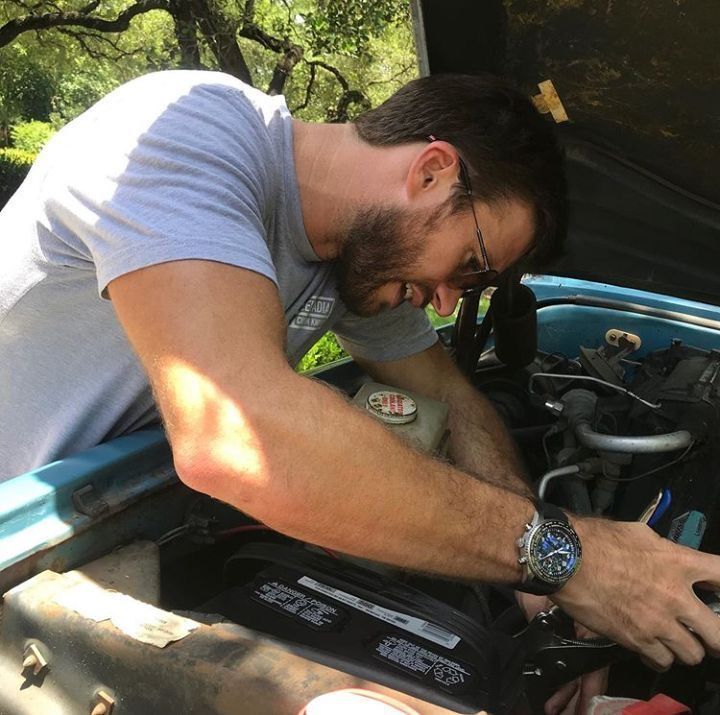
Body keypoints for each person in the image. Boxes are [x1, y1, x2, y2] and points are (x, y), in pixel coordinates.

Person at [1, 70, 720, 711]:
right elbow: (236, 438)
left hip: (102, 527)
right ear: (433, 171)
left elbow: (457, 399)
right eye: (467, 266)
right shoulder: (189, 131)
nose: (443, 303)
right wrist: (568, 553)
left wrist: (540, 587)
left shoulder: (351, 263)